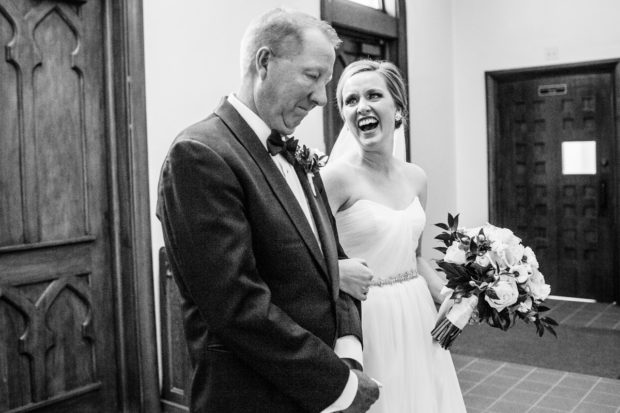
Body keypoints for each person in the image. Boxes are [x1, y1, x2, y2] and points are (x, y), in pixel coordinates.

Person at [156, 8, 380, 413]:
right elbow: (237, 307)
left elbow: (333, 261)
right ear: (264, 62)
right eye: (312, 76)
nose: (320, 98)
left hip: (312, 388)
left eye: (326, 82)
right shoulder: (200, 154)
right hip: (253, 397)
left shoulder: (297, 153)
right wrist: (339, 384)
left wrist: (347, 347)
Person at [322, 59, 467, 412]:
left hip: (417, 313)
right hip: (367, 316)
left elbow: (414, 258)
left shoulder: (417, 177)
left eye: (374, 95)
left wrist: (450, 293)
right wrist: (337, 274)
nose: (362, 107)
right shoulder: (334, 179)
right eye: (350, 100)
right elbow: (308, 254)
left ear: (398, 108)